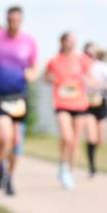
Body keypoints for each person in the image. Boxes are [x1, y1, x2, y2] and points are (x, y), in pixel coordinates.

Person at [0, 7, 38, 195]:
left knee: (16, 140)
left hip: (19, 97)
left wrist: (31, 74)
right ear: (6, 19)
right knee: (4, 137)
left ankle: (10, 178)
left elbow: (34, 67)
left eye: (17, 20)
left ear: (21, 20)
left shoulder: (29, 41)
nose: (14, 23)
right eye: (11, 19)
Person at [44, 32, 91, 190]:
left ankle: (68, 171)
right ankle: (63, 166)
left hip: (80, 104)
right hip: (62, 103)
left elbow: (91, 77)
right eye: (68, 41)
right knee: (67, 137)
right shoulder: (54, 61)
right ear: (62, 42)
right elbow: (46, 77)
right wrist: (52, 79)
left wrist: (90, 81)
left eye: (74, 41)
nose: (71, 43)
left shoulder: (82, 60)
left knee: (75, 141)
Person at [81, 44, 107, 177]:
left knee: (100, 139)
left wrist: (102, 85)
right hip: (86, 105)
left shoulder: (103, 67)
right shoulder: (80, 67)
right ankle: (92, 166)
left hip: (101, 103)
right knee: (91, 137)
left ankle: (92, 157)